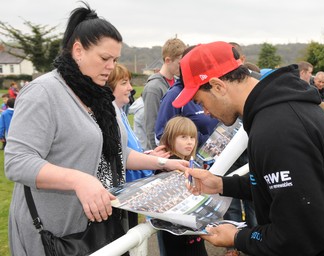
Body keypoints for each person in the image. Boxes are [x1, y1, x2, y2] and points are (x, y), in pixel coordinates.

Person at [173, 41, 324, 255]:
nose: (206, 113)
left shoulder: (276, 129)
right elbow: (286, 187)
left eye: (201, 102)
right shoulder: (279, 112)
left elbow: (299, 237)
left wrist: (237, 237)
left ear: (218, 86)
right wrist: (222, 184)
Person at [4, 4, 187, 255]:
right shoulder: (44, 93)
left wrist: (162, 163)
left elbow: (118, 154)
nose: (111, 66)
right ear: (78, 50)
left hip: (103, 227)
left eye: (115, 59)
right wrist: (80, 181)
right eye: (104, 58)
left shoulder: (102, 98)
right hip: (55, 234)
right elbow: (17, 161)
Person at [107, 63, 170, 228]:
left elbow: (129, 152)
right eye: (123, 83)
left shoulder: (119, 112)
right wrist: (153, 161)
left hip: (129, 194)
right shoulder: (110, 117)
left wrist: (149, 156)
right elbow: (121, 158)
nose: (130, 88)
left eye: (129, 82)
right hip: (122, 196)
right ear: (108, 87)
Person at [158, 116, 208, 256]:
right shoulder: (168, 165)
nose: (189, 142)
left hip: (191, 231)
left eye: (192, 137)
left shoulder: (187, 162)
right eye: (183, 137)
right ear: (170, 138)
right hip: (178, 234)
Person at [142, 37, 186, 150]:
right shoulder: (154, 88)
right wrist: (157, 156)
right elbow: (151, 127)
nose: (183, 67)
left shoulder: (177, 83)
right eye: (179, 63)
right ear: (167, 60)